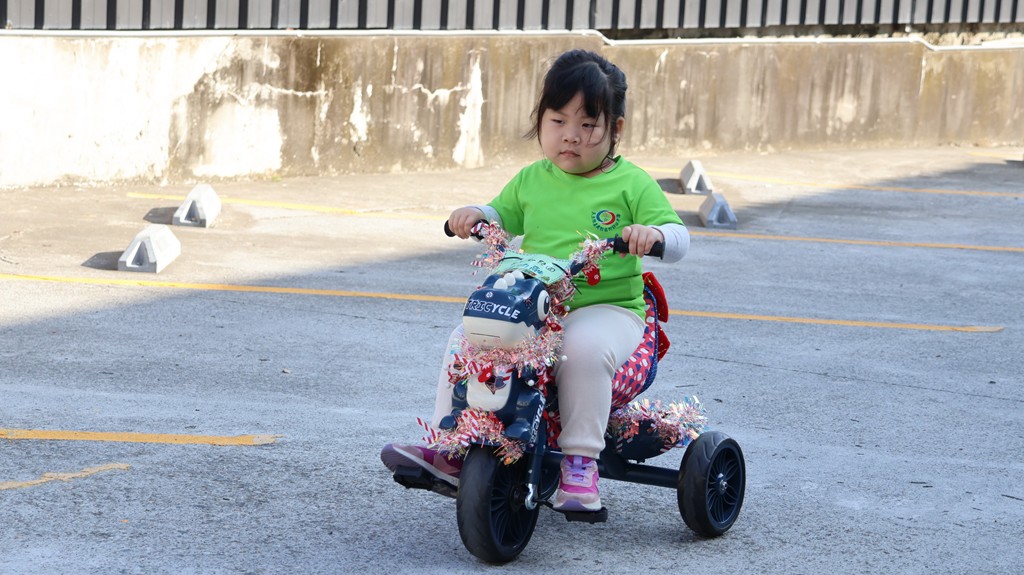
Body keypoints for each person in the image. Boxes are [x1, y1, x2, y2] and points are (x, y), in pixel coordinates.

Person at [382, 49, 689, 512]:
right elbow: (499, 213)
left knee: (581, 350)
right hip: (536, 307)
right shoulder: (532, 179)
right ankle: (452, 445)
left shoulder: (632, 184)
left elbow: (679, 237)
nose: (571, 135)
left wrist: (655, 235)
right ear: (540, 120)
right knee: (466, 339)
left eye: (588, 124)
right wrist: (476, 214)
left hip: (607, 310)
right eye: (558, 120)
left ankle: (580, 464)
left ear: (616, 129)